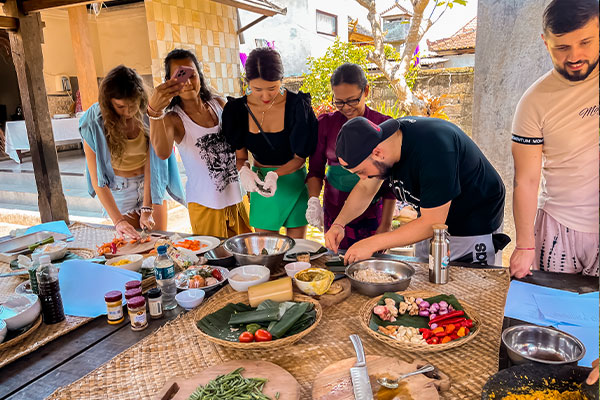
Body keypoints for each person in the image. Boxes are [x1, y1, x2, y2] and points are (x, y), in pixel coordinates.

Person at [325, 116, 507, 265]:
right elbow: (366, 188)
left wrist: (372, 243)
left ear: (378, 153)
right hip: (431, 218)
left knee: (470, 292)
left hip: (473, 222)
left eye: (361, 172)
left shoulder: (434, 149)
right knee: (425, 281)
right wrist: (338, 224)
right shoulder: (384, 144)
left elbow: (432, 224)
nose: (362, 178)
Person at [510, 0, 599, 278]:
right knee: (552, 317)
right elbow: (525, 179)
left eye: (585, 42)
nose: (575, 56)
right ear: (545, 43)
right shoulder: (533, 102)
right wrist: (524, 245)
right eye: (562, 47)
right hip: (559, 229)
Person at [147, 49, 251, 237]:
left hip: (236, 199)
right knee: (214, 262)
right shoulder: (173, 119)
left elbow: (241, 146)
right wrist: (154, 112)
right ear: (169, 82)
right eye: (179, 77)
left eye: (191, 75)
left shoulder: (219, 105)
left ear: (199, 76)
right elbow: (162, 152)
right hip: (205, 206)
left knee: (247, 257)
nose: (186, 83)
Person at [221, 47, 318, 239]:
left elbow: (300, 158)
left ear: (282, 81)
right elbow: (240, 157)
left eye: (272, 88)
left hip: (293, 180)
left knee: (296, 250)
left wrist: (275, 174)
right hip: (260, 183)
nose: (265, 96)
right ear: (247, 83)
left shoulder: (297, 107)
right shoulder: (237, 111)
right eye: (257, 89)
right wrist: (245, 171)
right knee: (265, 249)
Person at [80, 65, 185, 239]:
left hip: (150, 183)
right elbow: (96, 177)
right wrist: (118, 221)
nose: (128, 112)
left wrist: (147, 207)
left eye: (132, 105)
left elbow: (153, 163)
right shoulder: (94, 122)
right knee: (132, 247)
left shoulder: (147, 113)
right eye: (120, 107)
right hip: (119, 188)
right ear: (108, 102)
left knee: (158, 243)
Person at [306, 63, 395, 249]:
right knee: (337, 264)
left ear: (366, 91)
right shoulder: (325, 124)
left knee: (371, 268)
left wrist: (386, 224)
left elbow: (390, 185)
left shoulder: (382, 125)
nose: (345, 108)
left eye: (352, 100)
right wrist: (313, 200)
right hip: (334, 210)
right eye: (339, 102)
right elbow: (315, 170)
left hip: (372, 212)